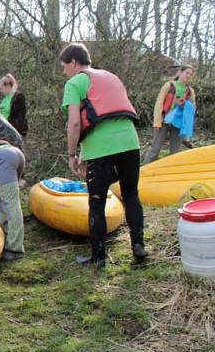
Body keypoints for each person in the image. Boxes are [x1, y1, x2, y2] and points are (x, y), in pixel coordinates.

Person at [60, 42, 146, 267]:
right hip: (130, 141)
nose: (64, 72)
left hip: (101, 148)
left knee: (96, 202)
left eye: (64, 66)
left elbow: (75, 121)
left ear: (73, 63)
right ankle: (138, 245)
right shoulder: (111, 76)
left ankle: (98, 257)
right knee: (131, 195)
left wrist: (72, 154)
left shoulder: (75, 82)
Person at [145, 65, 197, 163]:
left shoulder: (190, 91)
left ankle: (170, 173)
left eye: (191, 74)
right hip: (164, 120)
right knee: (155, 149)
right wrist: (157, 122)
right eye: (187, 73)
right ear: (180, 72)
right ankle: (144, 171)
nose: (189, 76)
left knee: (175, 152)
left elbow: (193, 108)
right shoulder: (169, 85)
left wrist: (185, 104)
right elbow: (159, 103)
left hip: (178, 123)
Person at [0, 74, 28, 138]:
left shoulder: (19, 97)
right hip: (3, 129)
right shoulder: (4, 99)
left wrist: (10, 128)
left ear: (8, 86)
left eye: (1, 88)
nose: (0, 91)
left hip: (14, 132)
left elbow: (21, 117)